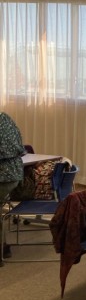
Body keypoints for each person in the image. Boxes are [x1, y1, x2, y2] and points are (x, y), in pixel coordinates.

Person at [0, 112, 26, 262]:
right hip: (14, 174)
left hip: (4, 176)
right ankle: (4, 247)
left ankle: (2, 249)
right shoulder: (5, 118)